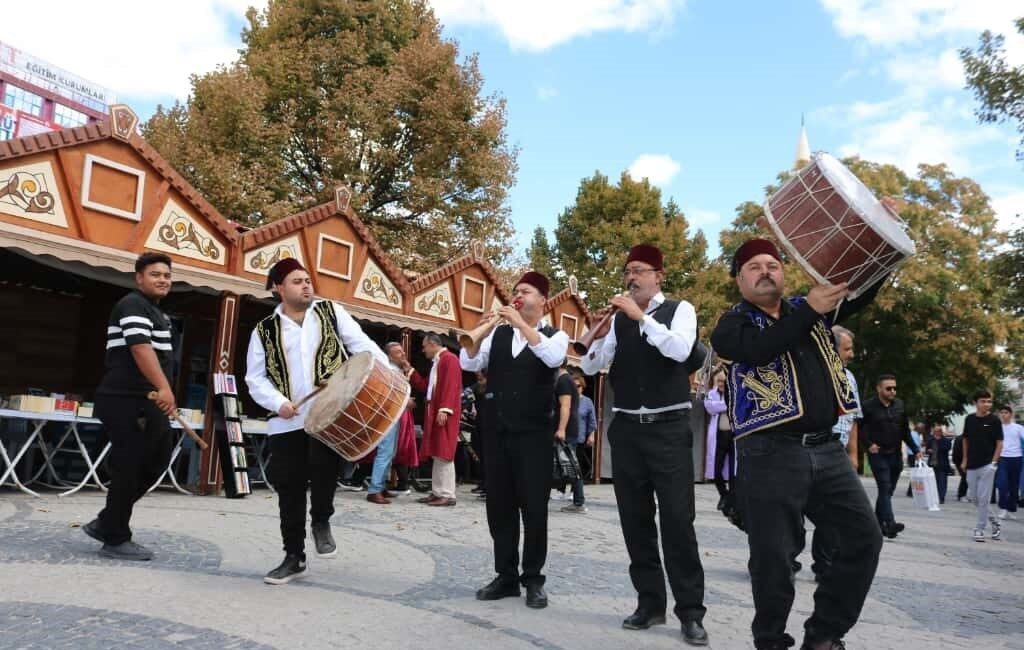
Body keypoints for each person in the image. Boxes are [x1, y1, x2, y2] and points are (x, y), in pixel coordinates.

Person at [710, 238, 883, 650]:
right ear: (739, 279)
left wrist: (879, 234)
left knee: (864, 537)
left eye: (773, 263)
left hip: (827, 450)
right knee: (774, 559)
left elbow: (863, 285)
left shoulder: (812, 309)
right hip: (770, 454)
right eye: (753, 266)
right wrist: (811, 310)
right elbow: (758, 350)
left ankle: (824, 635)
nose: (766, 270)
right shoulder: (733, 324)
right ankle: (770, 641)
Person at [581, 244, 708, 646]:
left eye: (639, 270)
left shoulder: (679, 310)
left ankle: (690, 612)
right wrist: (596, 335)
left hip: (668, 429)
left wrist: (640, 318)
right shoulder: (619, 321)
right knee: (635, 521)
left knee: (677, 522)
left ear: (658, 276)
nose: (631, 277)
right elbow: (589, 366)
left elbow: (681, 350)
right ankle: (649, 603)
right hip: (629, 431)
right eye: (627, 271)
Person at [245, 258, 390, 585]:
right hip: (286, 422)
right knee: (289, 489)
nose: (306, 285)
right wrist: (278, 403)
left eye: (308, 280)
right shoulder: (264, 331)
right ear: (278, 288)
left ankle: (321, 520)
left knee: (326, 472)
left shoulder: (330, 312)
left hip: (330, 415)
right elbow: (255, 379)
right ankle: (293, 556)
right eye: (297, 281)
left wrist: (388, 375)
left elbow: (362, 346)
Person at [460, 271, 568, 610]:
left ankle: (533, 579)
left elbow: (552, 358)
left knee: (535, 508)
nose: (518, 295)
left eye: (526, 291)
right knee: (500, 507)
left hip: (535, 434)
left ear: (543, 301)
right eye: (516, 291)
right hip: (497, 431)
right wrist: (482, 329)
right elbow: (469, 360)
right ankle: (505, 576)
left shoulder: (556, 335)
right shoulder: (499, 335)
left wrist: (521, 324)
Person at [82, 252, 178, 561]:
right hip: (124, 398)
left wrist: (164, 392)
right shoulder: (132, 304)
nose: (162, 279)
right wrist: (164, 387)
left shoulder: (157, 313)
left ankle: (107, 520)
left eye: (166, 275)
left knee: (159, 457)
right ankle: (115, 538)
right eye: (155, 274)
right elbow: (139, 347)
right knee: (129, 464)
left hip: (147, 400)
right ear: (139, 278)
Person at [859, 374, 919, 538]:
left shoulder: (899, 405)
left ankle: (878, 525)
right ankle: (890, 523)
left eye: (894, 388)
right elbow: (857, 429)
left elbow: (905, 431)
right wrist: (868, 445)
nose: (892, 391)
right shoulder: (868, 407)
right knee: (884, 487)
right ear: (879, 388)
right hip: (878, 454)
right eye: (888, 388)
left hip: (895, 455)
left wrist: (915, 449)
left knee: (888, 491)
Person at [407, 333, 462, 506]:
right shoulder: (438, 362)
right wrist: (410, 370)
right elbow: (426, 386)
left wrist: (445, 408)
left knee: (445, 451)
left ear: (432, 344)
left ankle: (447, 493)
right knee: (438, 451)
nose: (423, 351)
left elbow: (451, 385)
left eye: (424, 347)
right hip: (435, 410)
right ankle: (438, 491)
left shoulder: (449, 359)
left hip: (444, 411)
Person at [961, 390, 1003, 541]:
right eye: (983, 401)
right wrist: (964, 459)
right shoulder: (969, 419)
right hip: (972, 464)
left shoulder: (994, 420)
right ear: (975, 403)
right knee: (974, 498)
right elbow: (965, 440)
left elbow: (1000, 443)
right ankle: (995, 521)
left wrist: (993, 463)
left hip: (987, 465)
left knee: (983, 499)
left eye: (989, 401)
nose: (987, 404)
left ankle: (979, 529)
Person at [554, 363, 586, 514]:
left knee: (571, 466)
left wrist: (561, 429)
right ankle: (578, 501)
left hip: (566, 430)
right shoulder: (564, 380)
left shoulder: (564, 381)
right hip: (567, 429)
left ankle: (579, 502)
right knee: (570, 465)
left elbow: (565, 406)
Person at [703, 369, 732, 511]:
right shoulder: (711, 394)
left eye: (723, 381)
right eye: (718, 381)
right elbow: (710, 408)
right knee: (716, 470)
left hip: (733, 438)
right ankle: (723, 494)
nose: (721, 384)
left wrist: (722, 405)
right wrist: (727, 405)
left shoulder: (734, 392)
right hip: (719, 437)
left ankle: (733, 498)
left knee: (734, 471)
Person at [996, 405, 1024, 519]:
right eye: (1001, 412)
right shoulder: (997, 427)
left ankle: (1010, 509)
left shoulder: (1018, 428)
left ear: (1010, 414)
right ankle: (1003, 508)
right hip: (1002, 458)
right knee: (1002, 484)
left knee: (1014, 486)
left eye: (1006, 412)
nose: (1003, 414)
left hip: (1016, 458)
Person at [574, 372, 598, 481]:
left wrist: (591, 435)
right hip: (566, 436)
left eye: (578, 386)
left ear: (582, 387)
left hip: (580, 437)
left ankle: (574, 491)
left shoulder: (587, 402)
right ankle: (561, 489)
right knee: (564, 463)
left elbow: (592, 420)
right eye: (573, 386)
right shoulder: (567, 399)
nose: (576, 388)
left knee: (578, 463)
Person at [923, 424, 952, 504]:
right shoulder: (931, 440)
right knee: (933, 482)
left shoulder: (946, 440)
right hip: (932, 464)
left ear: (940, 432)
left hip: (942, 464)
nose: (935, 433)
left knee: (942, 482)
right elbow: (926, 450)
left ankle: (941, 497)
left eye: (937, 431)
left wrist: (938, 443)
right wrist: (928, 450)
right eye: (934, 431)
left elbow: (946, 448)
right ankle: (933, 497)